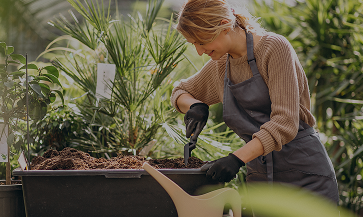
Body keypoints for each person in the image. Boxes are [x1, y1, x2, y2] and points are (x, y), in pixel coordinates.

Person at [171, 0, 339, 205]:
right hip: (261, 183)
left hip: (306, 177)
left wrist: (236, 158)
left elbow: (285, 122)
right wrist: (195, 106)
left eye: (201, 42)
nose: (199, 51)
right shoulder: (221, 65)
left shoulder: (274, 48)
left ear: (224, 26)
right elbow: (180, 91)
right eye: (194, 44)